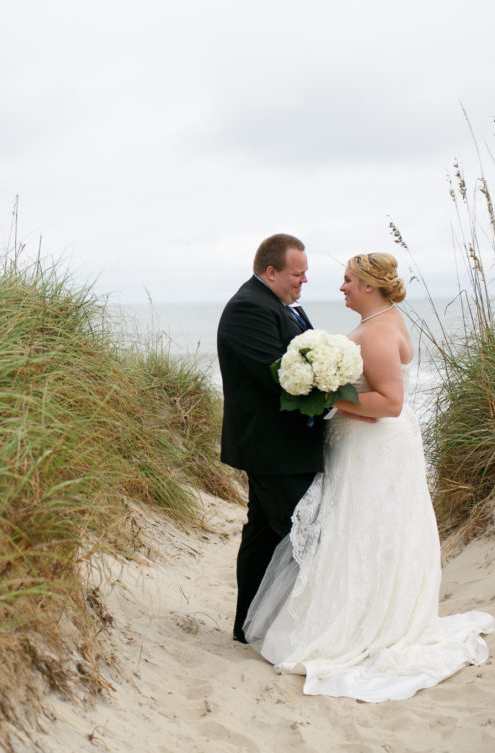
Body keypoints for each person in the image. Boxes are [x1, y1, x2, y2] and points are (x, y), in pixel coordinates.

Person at [242, 252, 494, 702]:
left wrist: (326, 400)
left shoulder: (377, 330)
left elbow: (390, 403)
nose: (341, 287)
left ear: (369, 286)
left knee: (366, 531)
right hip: (366, 445)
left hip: (373, 447)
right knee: (364, 532)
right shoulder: (384, 319)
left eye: (347, 281)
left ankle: (367, 621)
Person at [216, 233, 326, 645]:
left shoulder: (277, 305)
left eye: (305, 274)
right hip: (273, 447)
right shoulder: (249, 307)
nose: (303, 282)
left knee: (264, 536)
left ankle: (249, 626)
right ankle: (292, 629)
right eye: (297, 274)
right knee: (301, 536)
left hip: (278, 446)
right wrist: (339, 393)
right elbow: (279, 375)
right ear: (271, 271)